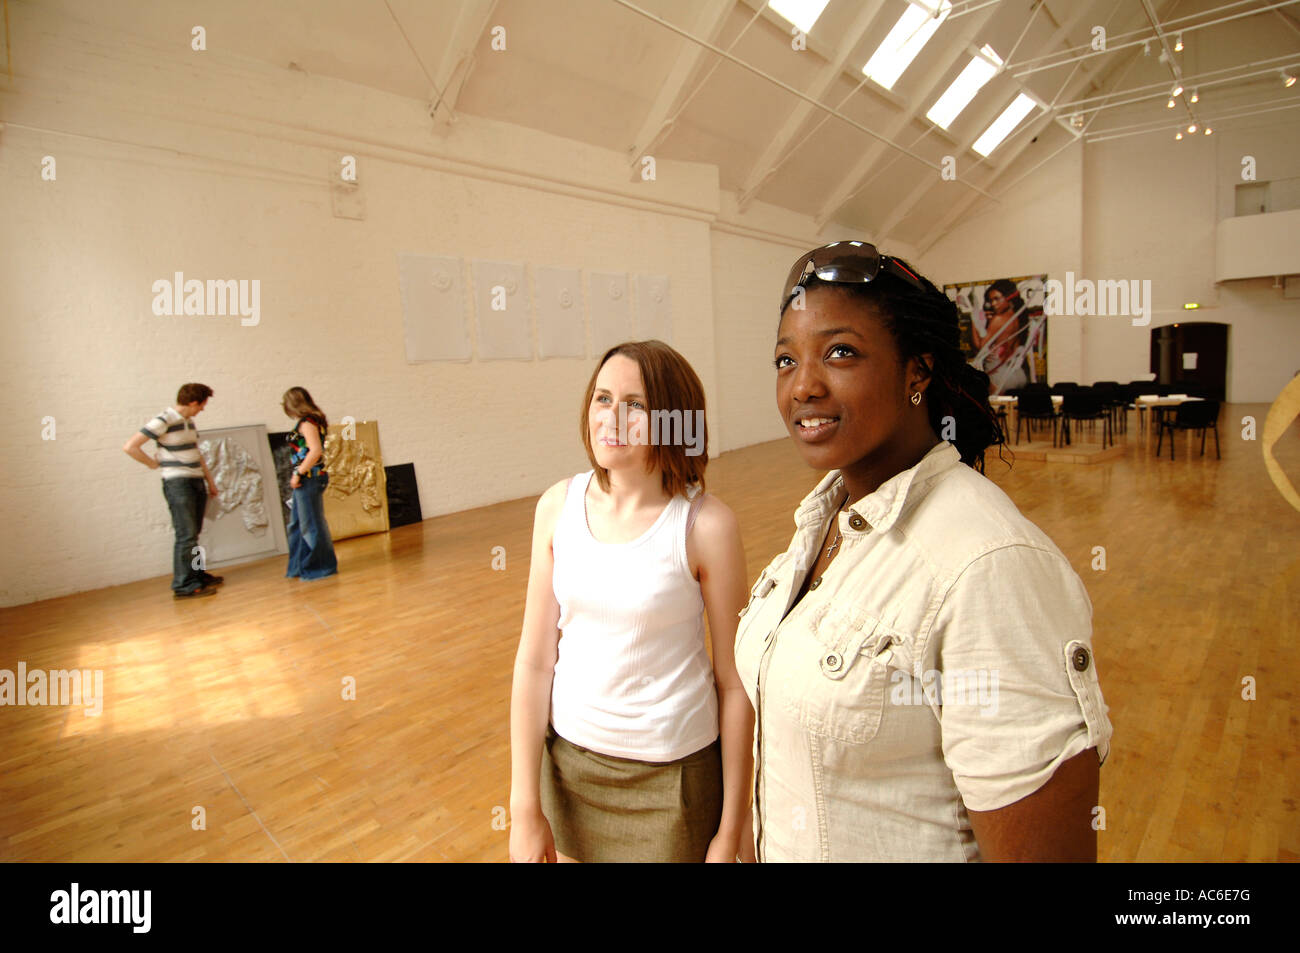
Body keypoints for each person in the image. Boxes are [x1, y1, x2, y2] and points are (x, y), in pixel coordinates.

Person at [737, 242, 1112, 862]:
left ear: (918, 371)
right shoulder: (822, 523)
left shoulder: (988, 565)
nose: (803, 385)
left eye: (840, 352)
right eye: (785, 359)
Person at [509, 340, 754, 863]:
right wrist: (524, 807)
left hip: (674, 781)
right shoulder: (557, 507)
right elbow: (534, 662)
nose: (611, 417)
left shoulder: (707, 526)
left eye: (636, 405)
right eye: (602, 398)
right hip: (570, 769)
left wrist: (732, 828)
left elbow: (736, 684)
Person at [123, 383, 223, 598]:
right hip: (178, 484)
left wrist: (210, 482)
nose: (202, 409)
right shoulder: (163, 420)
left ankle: (197, 575)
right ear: (194, 402)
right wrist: (152, 463)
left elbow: (196, 453)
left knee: (194, 534)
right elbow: (130, 446)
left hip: (196, 482)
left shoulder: (189, 422)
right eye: (202, 405)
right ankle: (183, 585)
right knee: (186, 535)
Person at [282, 387, 338, 580]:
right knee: (297, 525)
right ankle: (298, 566)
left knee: (311, 524)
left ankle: (321, 567)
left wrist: (298, 473)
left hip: (310, 478)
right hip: (308, 477)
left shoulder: (308, 423)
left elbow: (315, 451)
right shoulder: (313, 421)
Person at [973, 279, 1030, 394]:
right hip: (1018, 373)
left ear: (1009, 298)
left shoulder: (998, 319)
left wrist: (974, 323)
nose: (993, 304)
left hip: (999, 375)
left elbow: (981, 347)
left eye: (997, 299)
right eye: (990, 300)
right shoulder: (1019, 318)